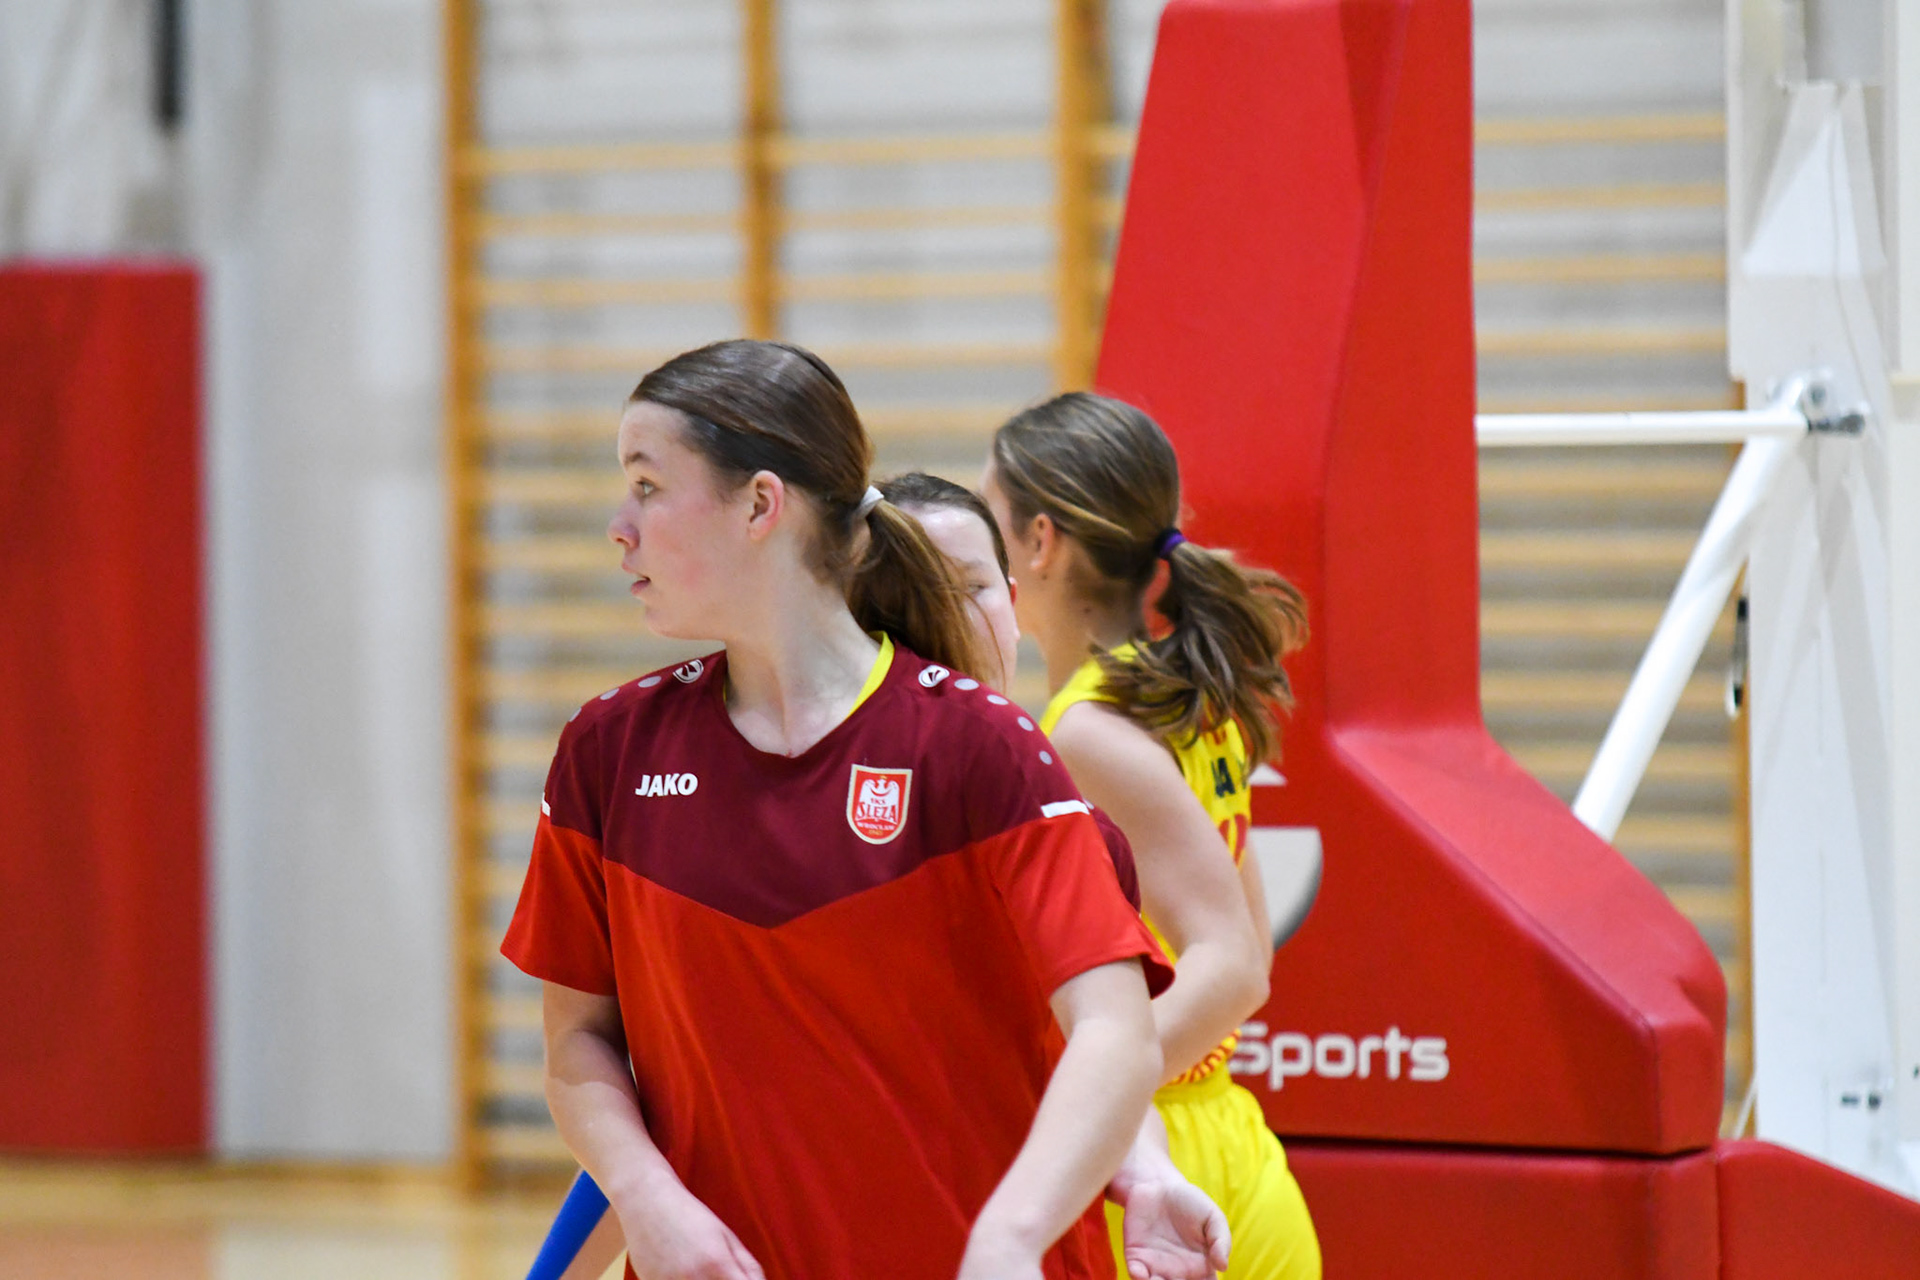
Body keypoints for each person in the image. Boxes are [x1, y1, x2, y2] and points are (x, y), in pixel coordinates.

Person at [504, 340, 1228, 1280]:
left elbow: (1109, 1032)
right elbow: (579, 1047)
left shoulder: (985, 751)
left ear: (761, 505)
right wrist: (649, 1201)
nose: (618, 526)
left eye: (647, 486)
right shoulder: (608, 752)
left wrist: (1015, 1236)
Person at [980, 391, 1323, 1280]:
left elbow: (1234, 964)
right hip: (1229, 1147)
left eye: (990, 520)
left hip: (1150, 1169)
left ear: (1040, 541)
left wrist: (1091, 1094)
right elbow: (1251, 955)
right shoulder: (1179, 699)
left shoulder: (1088, 732)